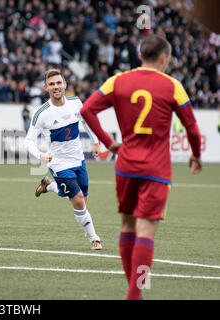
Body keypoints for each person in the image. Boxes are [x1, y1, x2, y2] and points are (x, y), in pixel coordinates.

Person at [80, 34, 202, 300]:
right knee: (146, 232)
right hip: (156, 170)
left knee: (127, 226)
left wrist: (110, 143)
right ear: (163, 58)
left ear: (140, 55)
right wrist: (196, 154)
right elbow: (191, 126)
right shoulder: (173, 86)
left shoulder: (117, 81)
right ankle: (135, 294)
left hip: (125, 166)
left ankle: (134, 292)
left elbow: (87, 110)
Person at [25, 68, 103, 251]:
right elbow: (28, 140)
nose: (56, 87)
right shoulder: (42, 113)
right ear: (46, 88)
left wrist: (95, 142)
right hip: (59, 164)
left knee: (82, 197)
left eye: (59, 83)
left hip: (79, 160)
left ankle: (49, 186)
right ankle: (94, 238)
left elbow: (86, 121)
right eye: (51, 84)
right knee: (78, 200)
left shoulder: (76, 102)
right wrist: (41, 155)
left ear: (65, 84)